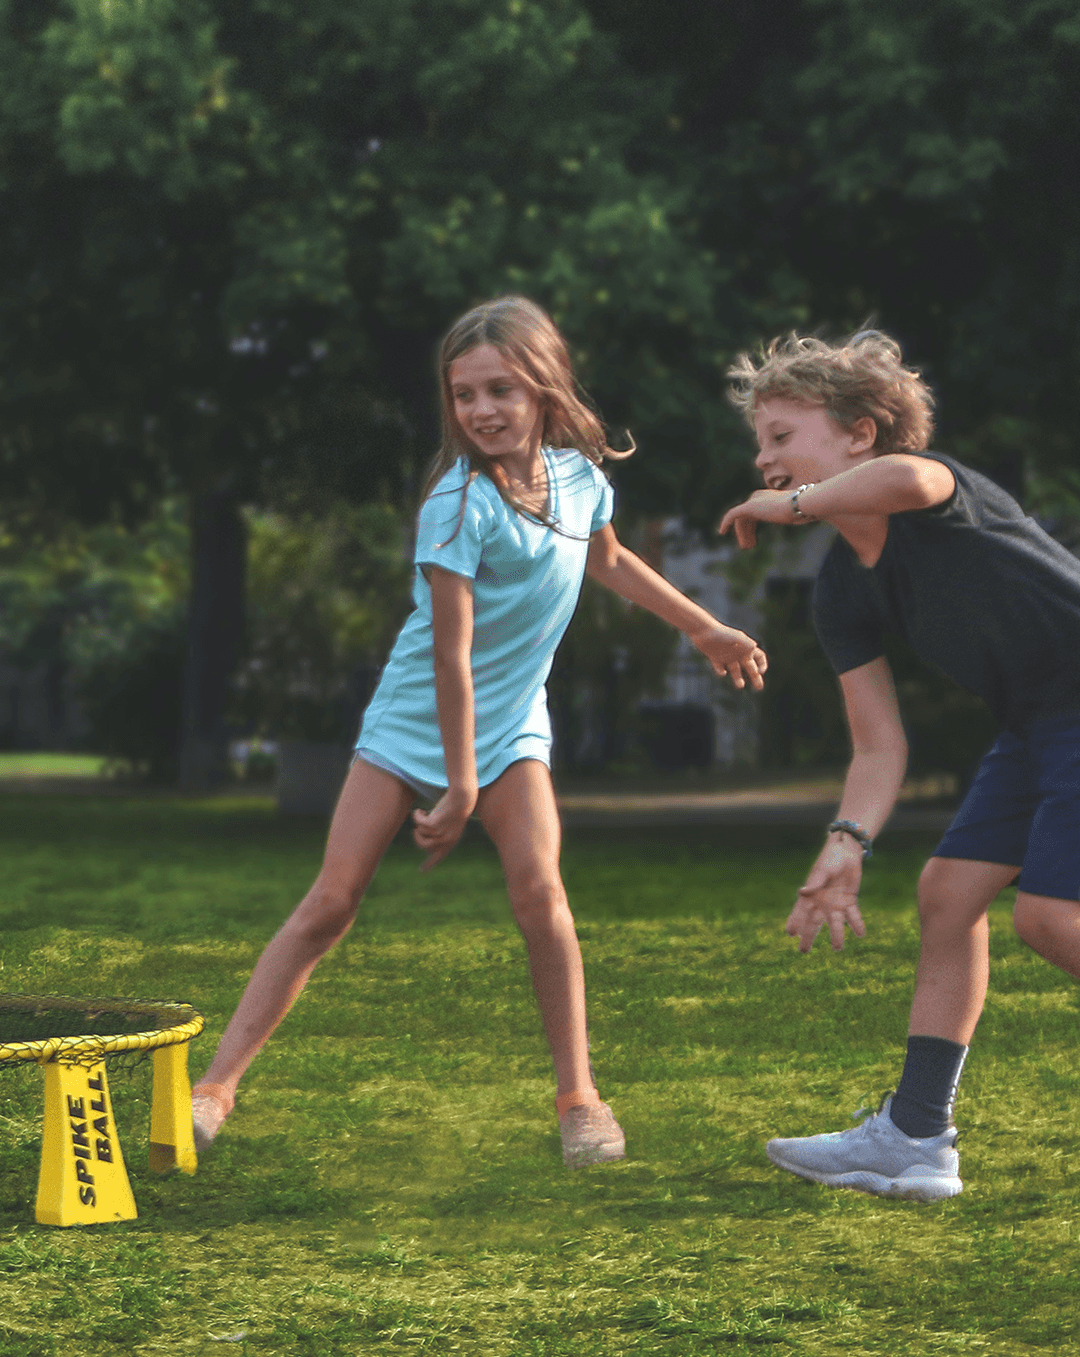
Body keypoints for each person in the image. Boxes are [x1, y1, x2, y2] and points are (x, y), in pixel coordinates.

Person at [188, 297, 769, 1167]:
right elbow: (449, 659)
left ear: (542, 388)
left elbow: (606, 559)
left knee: (543, 898)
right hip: (415, 718)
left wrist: (701, 626)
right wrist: (458, 786)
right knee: (332, 901)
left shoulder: (579, 479)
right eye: (464, 395)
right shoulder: (457, 505)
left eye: (500, 389)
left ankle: (581, 1102)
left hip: (511, 724)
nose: (481, 410)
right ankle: (213, 1091)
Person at [718, 330, 1080, 1203]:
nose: (765, 460)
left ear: (861, 433)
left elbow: (909, 478)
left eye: (781, 434)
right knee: (947, 894)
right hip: (1037, 725)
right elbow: (879, 744)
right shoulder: (842, 589)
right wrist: (846, 843)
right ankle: (917, 1137)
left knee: (1052, 919)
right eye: (760, 443)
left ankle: (913, 1134)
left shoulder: (936, 492)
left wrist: (792, 505)